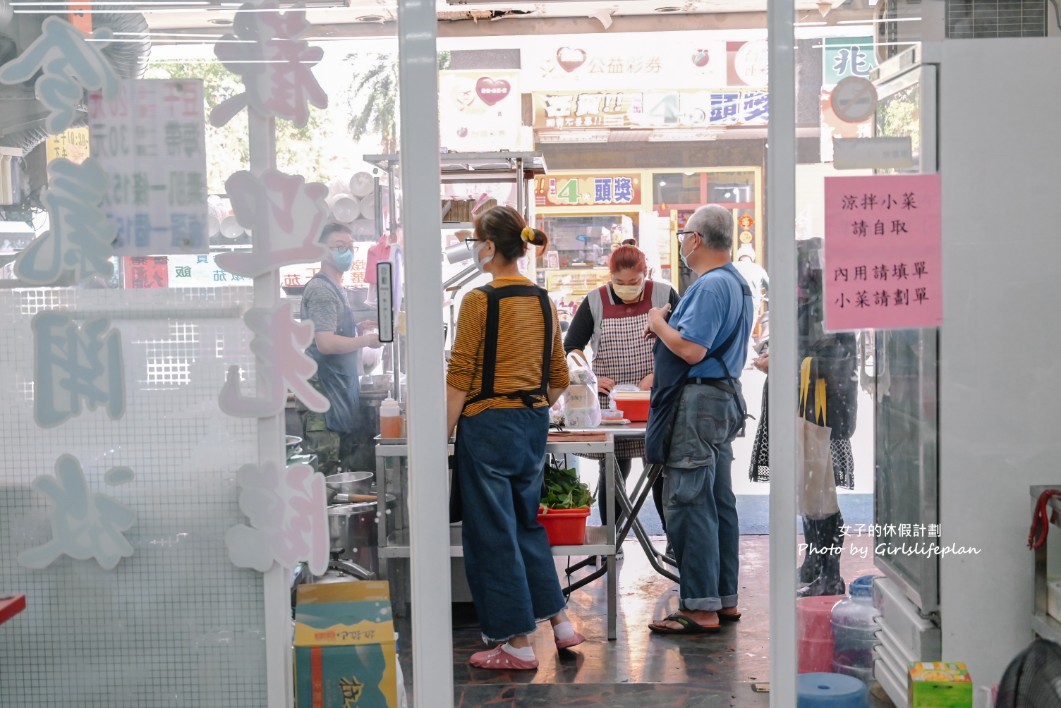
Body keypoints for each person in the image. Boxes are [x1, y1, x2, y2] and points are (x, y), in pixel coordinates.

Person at [446, 205, 584, 670]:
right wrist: (530, 403)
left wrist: (441, 437)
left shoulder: (479, 300)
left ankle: (516, 644)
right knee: (526, 525)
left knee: (492, 533)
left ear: (488, 246)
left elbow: (460, 375)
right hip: (531, 423)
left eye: (475, 241)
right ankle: (561, 623)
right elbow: (559, 376)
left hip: (488, 425)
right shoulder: (543, 300)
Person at [644, 204, 753, 635]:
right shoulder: (736, 283)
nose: (683, 242)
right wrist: (671, 324)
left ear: (696, 240)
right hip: (721, 400)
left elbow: (691, 350)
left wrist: (657, 320)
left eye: (684, 235)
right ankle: (723, 599)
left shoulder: (709, 286)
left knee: (690, 500)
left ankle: (700, 607)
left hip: (700, 401)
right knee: (718, 501)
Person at [748, 237, 858, 597]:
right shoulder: (809, 302)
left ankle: (830, 573)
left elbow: (832, 361)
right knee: (810, 493)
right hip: (803, 409)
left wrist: (780, 363)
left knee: (821, 497)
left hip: (819, 413)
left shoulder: (826, 304)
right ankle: (815, 563)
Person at [563, 244, 679, 532]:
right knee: (613, 470)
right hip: (611, 406)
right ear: (610, 276)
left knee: (660, 471)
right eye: (620, 282)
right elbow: (571, 347)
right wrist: (588, 375)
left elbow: (685, 341)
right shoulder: (595, 301)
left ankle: (673, 540)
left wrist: (658, 373)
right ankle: (611, 539)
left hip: (656, 400)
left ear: (646, 274)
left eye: (634, 282)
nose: (626, 288)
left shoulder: (665, 295)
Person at [299, 222, 382, 476]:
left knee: (340, 477)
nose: (347, 252)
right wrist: (367, 341)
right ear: (324, 251)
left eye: (351, 247)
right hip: (323, 402)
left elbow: (330, 331)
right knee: (327, 482)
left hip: (337, 394)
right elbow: (325, 343)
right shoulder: (322, 290)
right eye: (339, 247)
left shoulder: (337, 288)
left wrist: (357, 327)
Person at [734, 244, 769, 349]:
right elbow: (769, 286)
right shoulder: (758, 269)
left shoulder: (732, 267)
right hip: (752, 305)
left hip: (734, 304)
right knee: (747, 334)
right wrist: (767, 298)